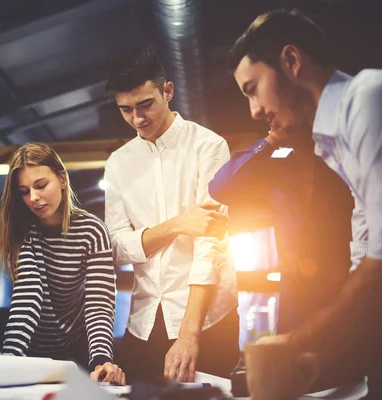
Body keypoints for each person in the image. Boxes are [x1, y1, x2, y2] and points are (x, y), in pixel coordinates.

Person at [229, 8, 382, 397]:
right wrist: (319, 354)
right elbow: (363, 260)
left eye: (252, 88)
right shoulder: (333, 144)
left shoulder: (366, 99)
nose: (255, 110)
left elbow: (379, 266)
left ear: (292, 61)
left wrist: (294, 344)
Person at [103, 45, 239, 385]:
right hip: (143, 321)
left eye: (145, 104)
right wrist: (178, 224)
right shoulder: (118, 163)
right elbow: (116, 247)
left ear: (168, 91)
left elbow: (209, 247)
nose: (137, 119)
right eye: (126, 110)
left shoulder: (209, 146)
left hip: (207, 322)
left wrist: (189, 335)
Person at [0, 143, 125, 385]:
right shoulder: (24, 231)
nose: (33, 197)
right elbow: (28, 296)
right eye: (24, 191)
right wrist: (10, 357)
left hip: (78, 354)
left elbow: (98, 302)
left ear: (62, 179)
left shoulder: (92, 230)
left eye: (41, 185)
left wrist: (101, 360)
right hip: (31, 353)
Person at [209, 127, 354, 333]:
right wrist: (270, 139)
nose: (260, 111)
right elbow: (220, 187)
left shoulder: (344, 160)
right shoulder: (278, 169)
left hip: (352, 292)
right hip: (296, 305)